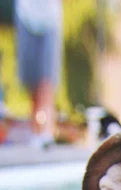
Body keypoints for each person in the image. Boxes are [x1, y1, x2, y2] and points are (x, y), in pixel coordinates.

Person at [14, 0, 63, 148]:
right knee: (33, 82)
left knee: (47, 81)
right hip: (26, 17)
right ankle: (36, 131)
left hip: (50, 20)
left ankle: (47, 132)